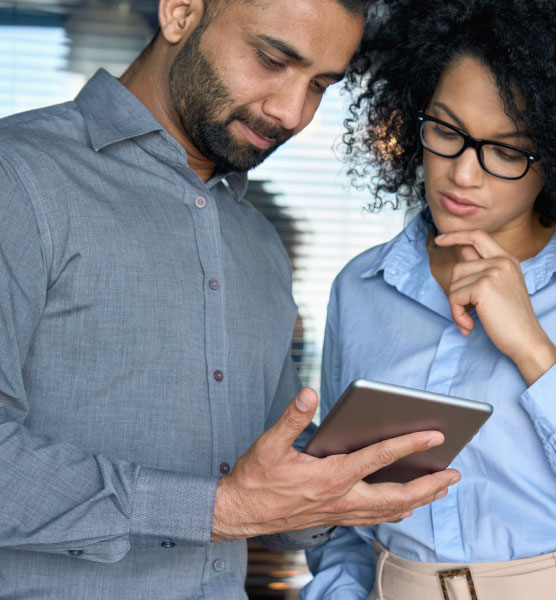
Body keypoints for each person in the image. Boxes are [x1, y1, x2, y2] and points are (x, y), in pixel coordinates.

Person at [0, 0, 460, 598]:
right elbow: (236, 503)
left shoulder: (257, 242)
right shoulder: (19, 178)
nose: (291, 112)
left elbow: (268, 471)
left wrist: (347, 484)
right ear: (181, 12)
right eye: (271, 60)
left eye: (320, 85)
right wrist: (218, 509)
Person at [302, 0, 556, 598]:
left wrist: (535, 353)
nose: (464, 174)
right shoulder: (362, 288)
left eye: (508, 150)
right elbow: (345, 506)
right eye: (446, 130)